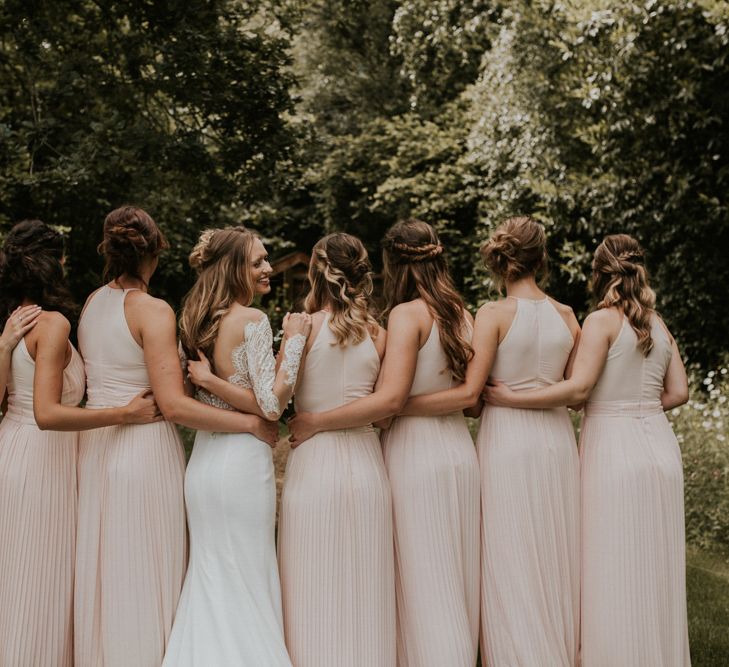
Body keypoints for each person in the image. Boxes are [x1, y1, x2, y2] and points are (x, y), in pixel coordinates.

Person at [74, 208, 277, 667]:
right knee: (147, 565)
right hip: (143, 449)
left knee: (106, 565)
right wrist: (250, 423)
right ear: (155, 252)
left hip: (97, 447)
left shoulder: (89, 304)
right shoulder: (153, 310)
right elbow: (175, 405)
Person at [486, 233, 691, 666]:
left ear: (599, 273)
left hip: (614, 449)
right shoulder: (657, 322)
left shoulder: (601, 321)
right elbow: (679, 392)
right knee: (655, 563)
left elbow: (577, 389)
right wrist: (638, 407)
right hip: (659, 445)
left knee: (611, 561)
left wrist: (511, 399)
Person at [289, 220, 480, 666]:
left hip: (415, 455)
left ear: (394, 263)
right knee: (453, 577)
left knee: (422, 582)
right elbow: (471, 400)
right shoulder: (462, 314)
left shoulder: (404, 316)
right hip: (459, 451)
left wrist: (318, 419)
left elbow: (389, 400)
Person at [400, 216, 581, 665]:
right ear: (542, 258)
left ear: (500, 260)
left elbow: (470, 397)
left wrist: (392, 406)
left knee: (509, 552)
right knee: (556, 549)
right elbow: (577, 391)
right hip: (558, 441)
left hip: (508, 442)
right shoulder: (567, 316)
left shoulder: (493, 315)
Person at [0, 220, 159, 667]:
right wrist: (124, 414)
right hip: (40, 461)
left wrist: (3, 344)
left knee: (17, 576)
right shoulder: (51, 325)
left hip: (11, 450)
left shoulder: (14, 321)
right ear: (58, 262)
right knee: (39, 580)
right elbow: (46, 414)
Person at [162, 226, 310, 666]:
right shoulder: (253, 320)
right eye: (258, 261)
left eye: (267, 259)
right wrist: (296, 341)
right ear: (233, 267)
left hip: (205, 461)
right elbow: (270, 404)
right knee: (246, 573)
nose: (268, 268)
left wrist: (208, 381)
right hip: (242, 466)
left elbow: (198, 398)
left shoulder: (194, 318)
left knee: (211, 575)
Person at [280, 233, 396, 667]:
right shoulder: (377, 334)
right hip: (367, 463)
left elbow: (277, 397)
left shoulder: (301, 327)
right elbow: (384, 415)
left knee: (313, 579)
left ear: (315, 272)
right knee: (366, 583)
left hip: (314, 462)